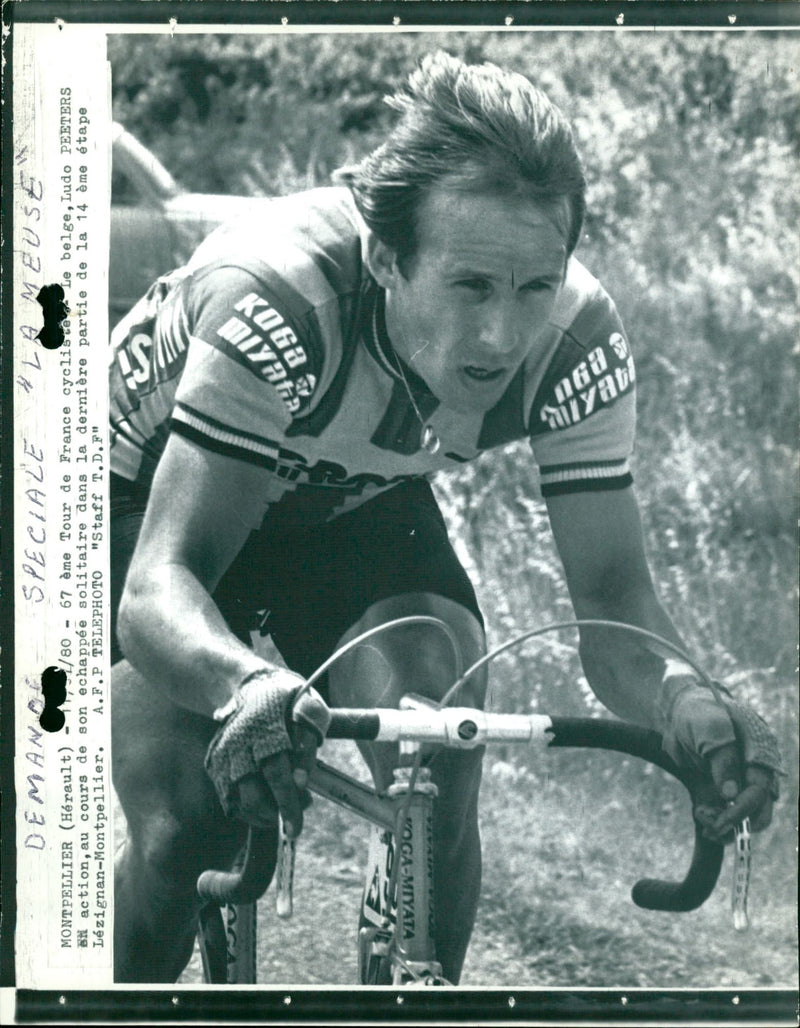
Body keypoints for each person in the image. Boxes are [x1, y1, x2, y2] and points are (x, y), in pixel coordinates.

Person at [109, 51, 783, 984]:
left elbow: (617, 609)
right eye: (470, 287)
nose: (504, 335)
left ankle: (418, 977)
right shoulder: (278, 296)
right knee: (183, 826)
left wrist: (692, 702)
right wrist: (240, 683)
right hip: (147, 501)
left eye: (532, 289)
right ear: (387, 257)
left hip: (348, 502)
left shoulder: (579, 338)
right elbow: (157, 588)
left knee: (441, 711)